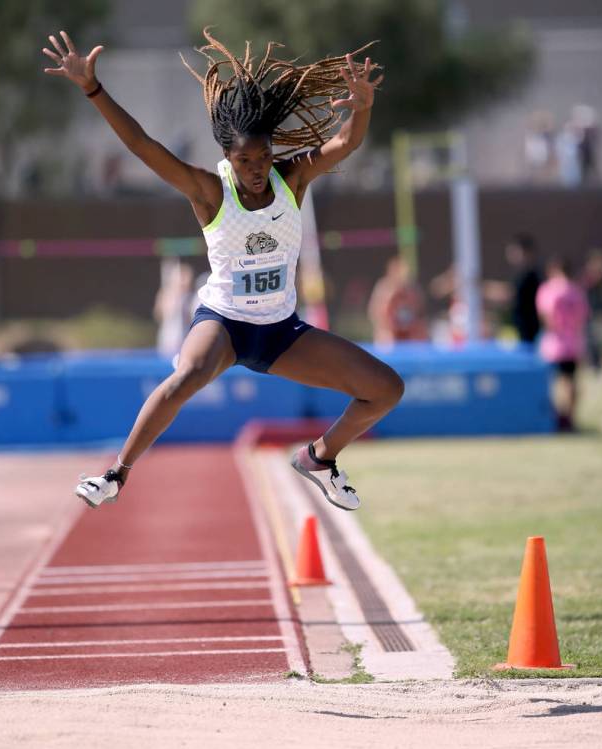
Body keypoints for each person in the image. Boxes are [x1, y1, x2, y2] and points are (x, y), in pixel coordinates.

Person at [43, 28, 402, 511]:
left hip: (280, 331)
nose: (257, 169)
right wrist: (93, 88)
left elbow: (345, 143)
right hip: (225, 322)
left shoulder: (292, 178)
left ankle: (319, 458)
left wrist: (362, 106)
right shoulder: (211, 191)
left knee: (385, 389)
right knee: (187, 374)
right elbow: (143, 146)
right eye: (244, 160)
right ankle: (115, 474)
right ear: (227, 159)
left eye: (263, 157)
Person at [536, 255, 589, 432]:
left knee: (552, 383)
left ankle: (555, 417)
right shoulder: (577, 291)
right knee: (571, 382)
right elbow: (582, 318)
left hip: (554, 344)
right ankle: (569, 418)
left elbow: (547, 316)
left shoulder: (549, 290)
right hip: (573, 343)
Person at [367, 253, 428, 346]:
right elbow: (376, 314)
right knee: (385, 336)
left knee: (420, 333)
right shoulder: (384, 287)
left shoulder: (413, 288)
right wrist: (392, 295)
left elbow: (419, 312)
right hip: (389, 329)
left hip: (410, 330)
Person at [153, 259, 196, 363]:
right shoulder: (166, 295)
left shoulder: (193, 297)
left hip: (186, 339)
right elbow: (159, 315)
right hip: (169, 340)